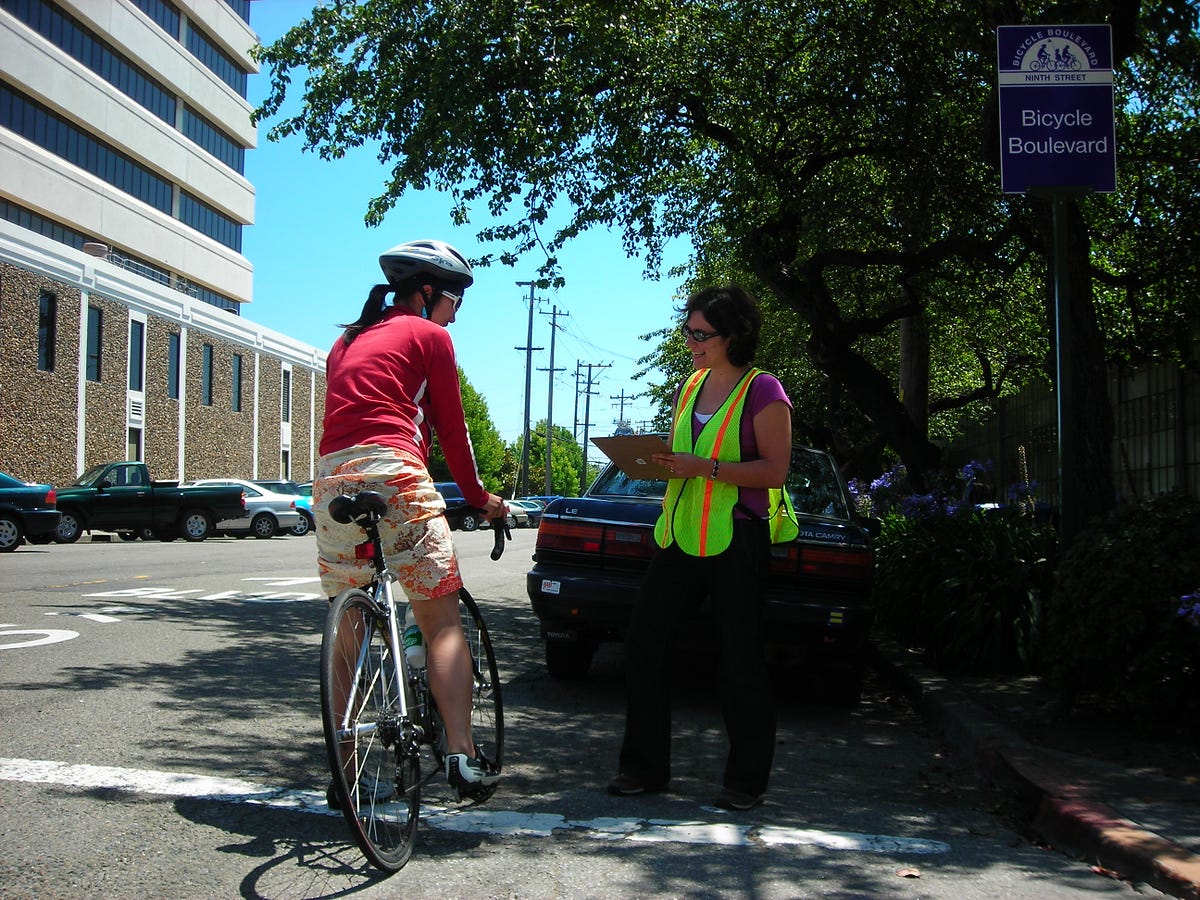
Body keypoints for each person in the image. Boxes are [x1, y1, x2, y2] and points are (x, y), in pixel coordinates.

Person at [313, 238, 507, 799]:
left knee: (347, 627)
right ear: (428, 293)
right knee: (443, 621)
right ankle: (462, 756)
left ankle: (344, 768)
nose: (454, 315)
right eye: (454, 301)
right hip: (394, 471)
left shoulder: (344, 341)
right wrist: (479, 497)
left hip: (331, 480)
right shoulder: (431, 336)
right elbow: (452, 429)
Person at [608, 284, 793, 811]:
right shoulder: (687, 389)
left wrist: (706, 468)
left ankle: (746, 781)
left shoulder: (764, 391)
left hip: (739, 538)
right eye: (687, 332)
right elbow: (682, 459)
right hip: (682, 535)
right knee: (644, 644)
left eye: (700, 334)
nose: (690, 342)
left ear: (732, 335)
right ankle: (642, 769)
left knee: (739, 659)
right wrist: (655, 461)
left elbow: (774, 471)